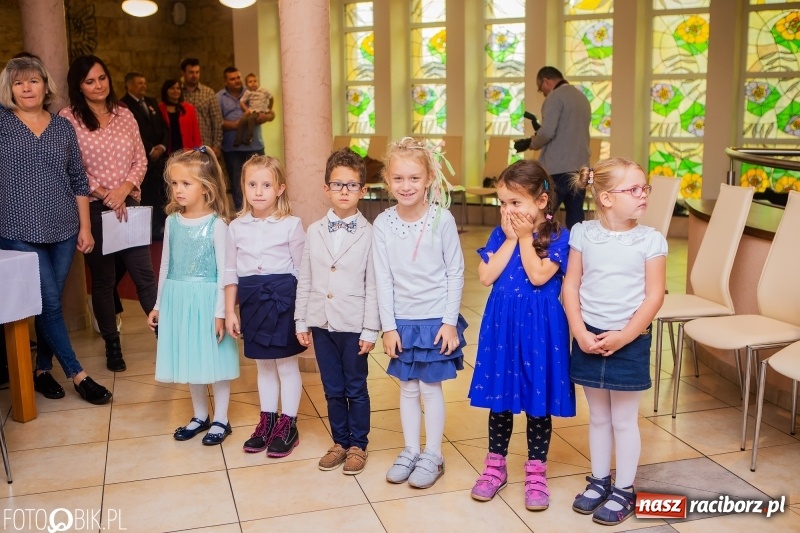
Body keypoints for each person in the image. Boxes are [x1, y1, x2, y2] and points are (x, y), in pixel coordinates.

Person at [0, 54, 111, 404]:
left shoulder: (62, 126)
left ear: (45, 84)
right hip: (17, 228)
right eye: (18, 82)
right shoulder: (2, 123)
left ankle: (42, 369)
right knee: (49, 304)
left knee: (50, 302)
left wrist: (85, 227)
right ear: (9, 90)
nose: (26, 88)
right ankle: (78, 374)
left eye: (33, 80)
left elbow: (78, 180)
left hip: (63, 228)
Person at [564, 158, 667, 526]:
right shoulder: (582, 233)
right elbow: (571, 283)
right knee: (599, 417)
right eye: (633, 189)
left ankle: (624, 487)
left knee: (624, 420)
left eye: (645, 188)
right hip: (589, 334)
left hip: (630, 339)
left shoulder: (650, 239)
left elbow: (655, 296)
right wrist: (578, 330)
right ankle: (599, 481)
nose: (643, 196)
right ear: (606, 198)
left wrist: (626, 335)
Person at [468, 160, 575, 510]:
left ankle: (535, 472)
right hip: (503, 325)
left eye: (516, 203)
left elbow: (538, 276)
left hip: (540, 330)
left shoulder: (559, 237)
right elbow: (486, 276)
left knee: (536, 401)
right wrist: (511, 239)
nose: (507, 210)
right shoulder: (501, 235)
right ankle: (495, 467)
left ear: (541, 202)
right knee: (500, 399)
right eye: (503, 203)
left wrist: (526, 238)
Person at [372, 137, 467, 489]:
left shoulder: (442, 219)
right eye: (398, 178)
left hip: (434, 320)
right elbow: (382, 277)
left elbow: (455, 271)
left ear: (428, 178)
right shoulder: (382, 224)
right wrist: (388, 327)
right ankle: (410, 449)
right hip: (402, 321)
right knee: (407, 388)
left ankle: (433, 453)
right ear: (387, 181)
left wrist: (449, 321)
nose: (406, 185)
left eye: (414, 178)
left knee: (429, 387)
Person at [60, 55, 157, 373]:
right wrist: (105, 193)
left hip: (127, 204)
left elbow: (140, 159)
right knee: (102, 280)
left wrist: (124, 188)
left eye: (102, 78)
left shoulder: (124, 114)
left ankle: (166, 337)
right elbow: (71, 167)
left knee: (143, 275)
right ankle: (112, 347)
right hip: (92, 207)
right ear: (78, 85)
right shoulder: (68, 118)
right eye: (89, 81)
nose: (98, 85)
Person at [295, 148, 380, 475]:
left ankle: (359, 444)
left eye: (352, 185)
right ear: (325, 189)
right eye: (338, 184)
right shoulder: (314, 230)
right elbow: (306, 277)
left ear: (363, 189)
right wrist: (301, 319)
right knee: (332, 387)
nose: (344, 191)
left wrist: (371, 329)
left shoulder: (369, 233)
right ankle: (340, 441)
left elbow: (372, 284)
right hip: (321, 321)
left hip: (354, 323)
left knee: (355, 387)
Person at [148, 147, 239, 445]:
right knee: (191, 358)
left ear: (206, 187)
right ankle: (200, 414)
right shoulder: (173, 222)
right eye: (174, 184)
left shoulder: (217, 225)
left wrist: (221, 312)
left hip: (207, 300)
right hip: (178, 297)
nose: (178, 190)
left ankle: (221, 418)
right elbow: (165, 266)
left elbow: (226, 272)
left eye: (186, 183)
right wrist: (159, 305)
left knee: (215, 359)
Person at [224, 155, 307, 457]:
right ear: (243, 187)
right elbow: (230, 271)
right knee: (263, 365)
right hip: (251, 299)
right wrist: (230, 310)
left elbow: (302, 272)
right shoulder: (236, 227)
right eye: (252, 184)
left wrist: (302, 316)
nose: (259, 191)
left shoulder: (291, 225)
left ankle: (289, 424)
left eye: (266, 185)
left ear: (280, 189)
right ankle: (267, 420)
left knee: (286, 364)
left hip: (283, 299)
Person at [516, 66, 591, 229]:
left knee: (547, 213)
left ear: (546, 81)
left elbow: (548, 132)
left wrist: (531, 143)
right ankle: (576, 250)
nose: (542, 92)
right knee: (576, 214)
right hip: (580, 169)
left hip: (558, 171)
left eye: (540, 88)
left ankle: (543, 248)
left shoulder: (554, 98)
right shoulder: (582, 97)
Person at [218, 67, 275, 211]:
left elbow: (271, 114)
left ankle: (263, 214)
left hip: (255, 146)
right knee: (238, 185)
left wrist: (265, 117)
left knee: (262, 182)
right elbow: (217, 122)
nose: (236, 81)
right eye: (232, 78)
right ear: (225, 81)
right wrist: (234, 125)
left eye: (238, 77)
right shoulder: (219, 97)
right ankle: (241, 217)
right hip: (232, 149)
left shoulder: (253, 91)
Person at [121, 72, 170, 240]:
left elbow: (164, 127)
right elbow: (135, 133)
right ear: (129, 85)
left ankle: (159, 227)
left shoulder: (151, 102)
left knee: (161, 193)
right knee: (147, 195)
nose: (144, 86)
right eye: (139, 83)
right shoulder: (124, 106)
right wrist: (150, 150)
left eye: (144, 82)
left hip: (160, 158)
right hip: (143, 158)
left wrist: (162, 146)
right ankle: (147, 230)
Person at [181, 58, 223, 158]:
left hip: (205, 144)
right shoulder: (178, 93)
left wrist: (216, 145)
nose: (194, 75)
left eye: (197, 72)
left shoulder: (208, 93)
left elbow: (217, 120)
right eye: (191, 72)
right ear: (183, 73)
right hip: (184, 145)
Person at [158, 79, 202, 154]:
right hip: (168, 151)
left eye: (178, 88)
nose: (176, 91)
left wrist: (198, 151)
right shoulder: (160, 108)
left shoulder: (189, 108)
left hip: (187, 150)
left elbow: (196, 133)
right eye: (172, 88)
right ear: (166, 91)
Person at [234, 73, 273, 147]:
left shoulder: (263, 90)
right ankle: (238, 140)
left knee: (251, 119)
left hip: (260, 111)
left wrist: (270, 108)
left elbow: (271, 98)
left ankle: (249, 138)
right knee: (242, 120)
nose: (253, 83)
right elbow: (241, 101)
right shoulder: (248, 92)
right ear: (247, 84)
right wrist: (246, 110)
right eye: (250, 82)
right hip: (252, 110)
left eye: (255, 81)